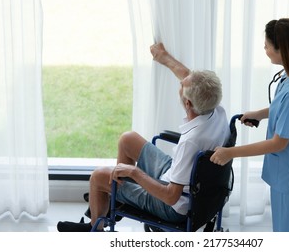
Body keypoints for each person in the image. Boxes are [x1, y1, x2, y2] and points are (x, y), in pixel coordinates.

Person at [57, 43, 230, 232]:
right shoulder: (216, 110)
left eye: (182, 86)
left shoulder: (191, 142)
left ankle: (95, 226)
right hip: (185, 180)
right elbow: (190, 79)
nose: (181, 82)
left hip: (172, 204)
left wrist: (134, 173)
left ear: (187, 103)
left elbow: (171, 197)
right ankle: (114, 200)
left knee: (98, 176)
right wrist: (164, 57)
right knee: (127, 139)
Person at [210, 18, 289, 232]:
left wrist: (230, 153)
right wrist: (261, 114)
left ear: (283, 49)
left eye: (267, 45)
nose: (264, 48)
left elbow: (278, 143)